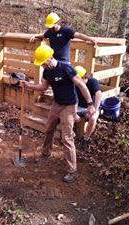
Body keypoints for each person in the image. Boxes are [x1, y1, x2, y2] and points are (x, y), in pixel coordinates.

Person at [20, 44, 95, 183]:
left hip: (70, 105)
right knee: (48, 128)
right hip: (56, 103)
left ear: (50, 58)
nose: (42, 66)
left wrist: (90, 104)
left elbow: (81, 85)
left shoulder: (66, 67)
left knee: (67, 138)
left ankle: (72, 171)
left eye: (43, 63)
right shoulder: (47, 72)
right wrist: (29, 85)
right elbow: (43, 86)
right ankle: (46, 153)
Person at [30, 12, 97, 62]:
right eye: (49, 27)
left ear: (57, 23)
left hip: (64, 61)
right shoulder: (50, 32)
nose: (51, 29)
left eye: (52, 27)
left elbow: (79, 35)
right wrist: (35, 35)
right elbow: (43, 35)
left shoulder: (66, 31)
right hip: (53, 60)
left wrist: (90, 39)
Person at [74, 66, 102, 151]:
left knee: (93, 118)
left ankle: (85, 139)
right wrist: (74, 112)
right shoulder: (74, 84)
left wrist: (95, 109)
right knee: (66, 114)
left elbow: (98, 95)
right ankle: (70, 136)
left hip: (90, 107)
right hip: (77, 107)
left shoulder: (93, 82)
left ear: (83, 77)